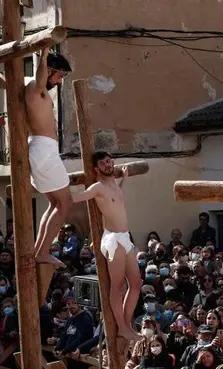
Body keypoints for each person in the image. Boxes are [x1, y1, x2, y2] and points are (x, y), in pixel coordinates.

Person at [72, 151, 142, 340]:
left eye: (109, 161)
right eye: (103, 163)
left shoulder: (114, 185)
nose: (108, 165)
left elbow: (117, 200)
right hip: (112, 239)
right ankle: (121, 326)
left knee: (136, 284)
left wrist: (124, 179)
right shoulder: (98, 187)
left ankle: (126, 325)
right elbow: (77, 198)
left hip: (125, 237)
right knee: (117, 286)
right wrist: (56, 193)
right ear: (96, 169)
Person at [24, 47, 73, 268]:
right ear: (49, 71)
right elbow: (40, 75)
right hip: (43, 149)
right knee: (65, 203)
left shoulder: (38, 91)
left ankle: (40, 250)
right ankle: (42, 251)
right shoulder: (36, 88)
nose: (61, 81)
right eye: (60, 75)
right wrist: (43, 55)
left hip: (44, 149)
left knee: (55, 203)